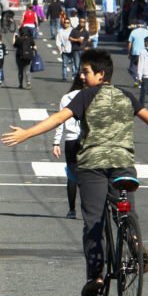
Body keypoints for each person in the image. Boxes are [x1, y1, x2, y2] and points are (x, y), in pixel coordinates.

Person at [1, 49, 148, 296]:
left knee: (93, 222)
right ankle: (135, 243)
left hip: (93, 166)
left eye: (86, 71)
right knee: (126, 210)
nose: (82, 76)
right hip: (123, 164)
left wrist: (25, 134)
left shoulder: (85, 96)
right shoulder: (126, 96)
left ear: (100, 74)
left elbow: (57, 119)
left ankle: (96, 276)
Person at [52, 75, 84, 219]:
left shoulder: (66, 98)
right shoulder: (90, 96)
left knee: (72, 176)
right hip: (87, 139)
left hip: (70, 140)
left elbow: (59, 121)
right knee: (88, 176)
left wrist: (56, 142)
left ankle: (72, 210)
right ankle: (88, 208)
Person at [127, 20, 148, 85]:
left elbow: (130, 43)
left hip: (136, 52)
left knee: (132, 68)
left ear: (137, 25)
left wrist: (129, 52)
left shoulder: (133, 32)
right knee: (143, 67)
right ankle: (141, 81)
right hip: (146, 52)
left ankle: (137, 79)